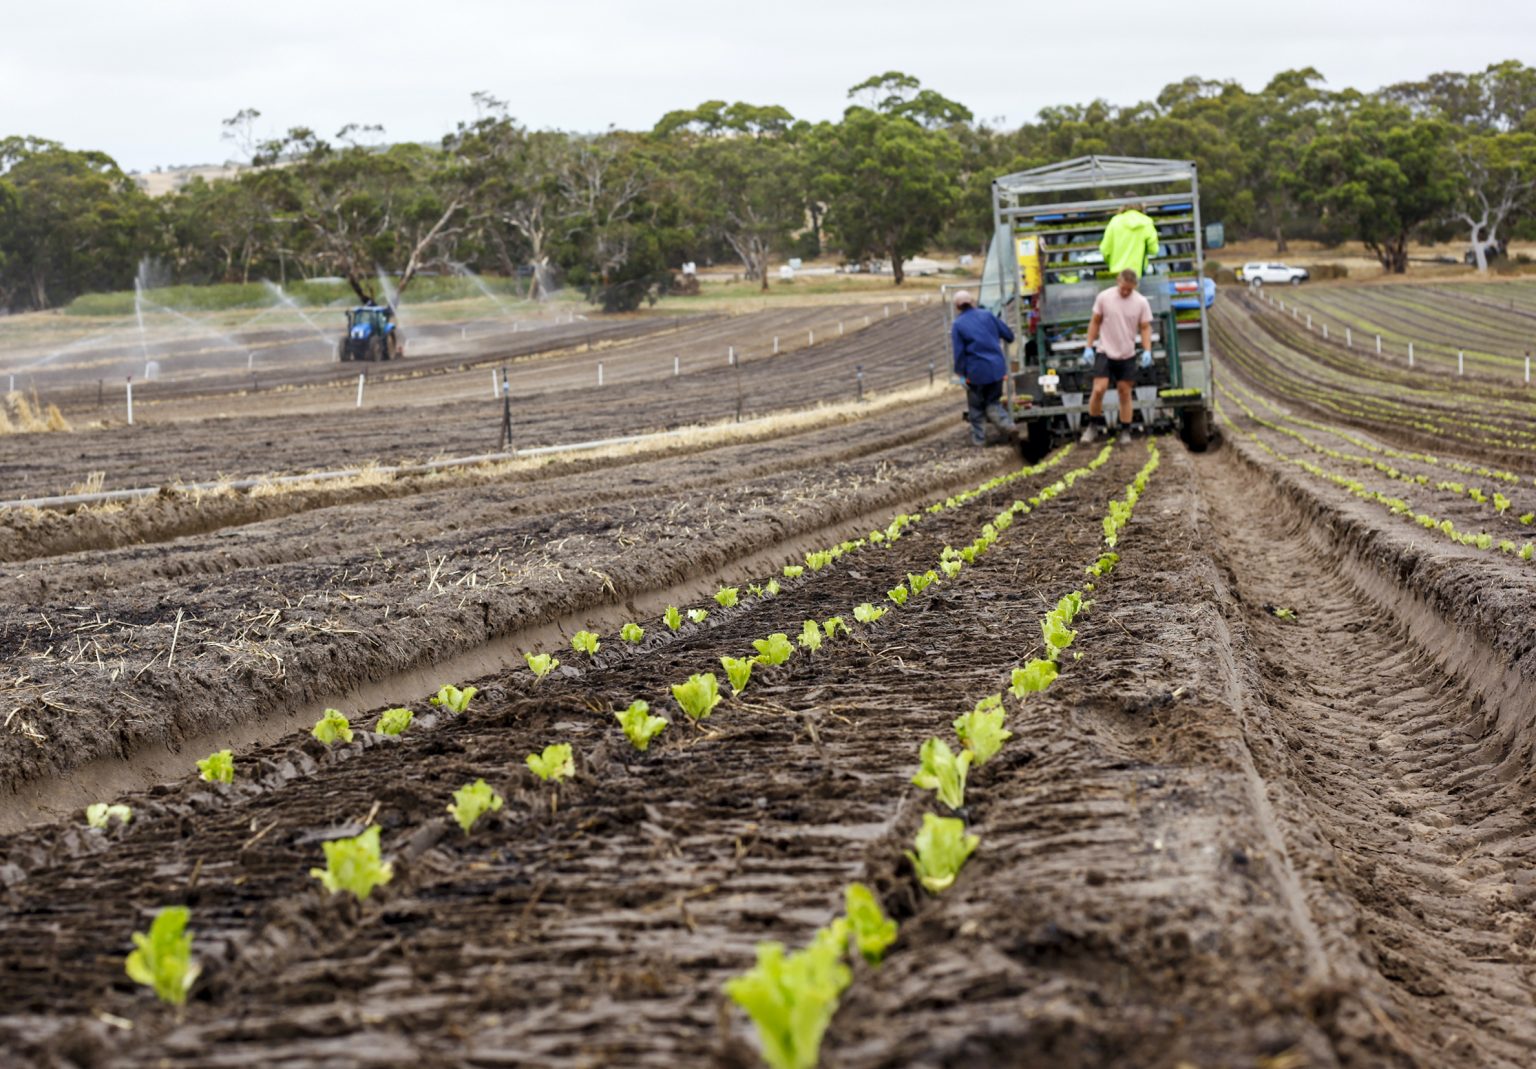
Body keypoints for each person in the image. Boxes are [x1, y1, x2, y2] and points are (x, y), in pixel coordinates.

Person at [1079, 269, 1152, 443]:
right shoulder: (1104, 298)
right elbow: (1095, 321)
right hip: (1105, 350)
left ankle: (1125, 430)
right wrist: (1089, 346)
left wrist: (1147, 350)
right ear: (1118, 282)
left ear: (1135, 286)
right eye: (1123, 288)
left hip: (1127, 353)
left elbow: (1144, 327)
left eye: (1129, 289)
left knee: (1125, 392)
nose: (1126, 292)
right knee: (1099, 389)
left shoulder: (1141, 302)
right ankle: (1092, 426)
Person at [949, 290, 1017, 447]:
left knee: (976, 408)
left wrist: (960, 373)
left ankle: (979, 441)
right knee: (993, 401)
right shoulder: (987, 315)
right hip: (997, 369)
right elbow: (1009, 335)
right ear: (972, 301)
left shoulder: (958, 325)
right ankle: (1007, 425)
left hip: (976, 372)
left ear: (957, 307)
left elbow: (959, 353)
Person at [1099, 203, 1160, 277]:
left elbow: (1105, 249)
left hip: (1117, 272)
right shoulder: (1146, 222)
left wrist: (1111, 262)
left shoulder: (1115, 221)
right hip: (1138, 272)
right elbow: (1153, 250)